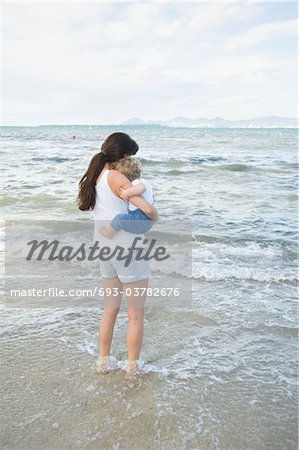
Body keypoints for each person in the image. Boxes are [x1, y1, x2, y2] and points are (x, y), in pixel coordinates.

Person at [78, 132, 158, 380]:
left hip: (104, 249)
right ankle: (132, 370)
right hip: (127, 250)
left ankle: (103, 363)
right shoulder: (117, 177)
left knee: (109, 310)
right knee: (135, 314)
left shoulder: (98, 174)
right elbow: (148, 211)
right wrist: (153, 212)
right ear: (123, 155)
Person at [99, 156, 155, 238]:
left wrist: (127, 192)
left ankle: (109, 233)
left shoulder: (136, 183)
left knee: (119, 218)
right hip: (148, 220)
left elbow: (141, 188)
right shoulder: (146, 182)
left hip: (140, 217)